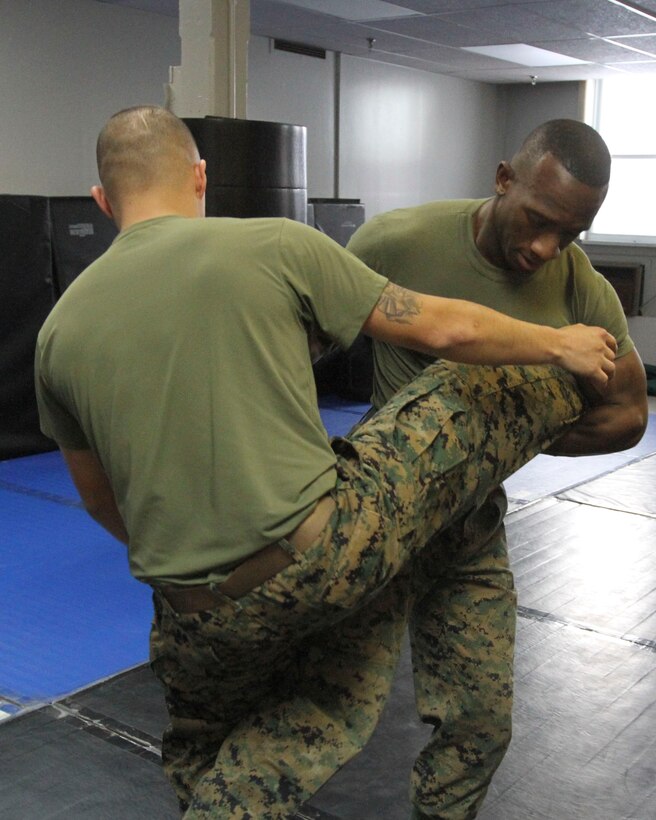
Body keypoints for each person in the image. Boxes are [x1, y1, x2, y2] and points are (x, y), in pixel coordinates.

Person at [34, 107, 618, 820]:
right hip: (330, 551)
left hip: (187, 605)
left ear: (101, 200)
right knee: (487, 383)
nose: (548, 246)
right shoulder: (276, 245)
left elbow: (99, 500)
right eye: (539, 220)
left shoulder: (56, 333)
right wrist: (558, 348)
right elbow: (449, 328)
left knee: (210, 748)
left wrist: (212, 563)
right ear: (200, 177)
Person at [347, 118, 648, 819]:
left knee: (481, 725)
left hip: (469, 527)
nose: (545, 249)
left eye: (569, 235)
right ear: (504, 178)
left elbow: (630, 412)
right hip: (370, 513)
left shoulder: (579, 288)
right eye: (538, 222)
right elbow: (297, 351)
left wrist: (503, 439)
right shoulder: (398, 241)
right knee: (311, 713)